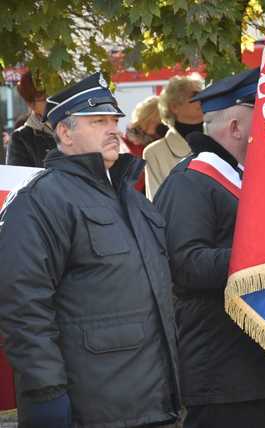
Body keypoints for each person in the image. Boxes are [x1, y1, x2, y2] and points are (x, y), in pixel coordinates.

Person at [0, 72, 180, 428]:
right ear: (65, 133)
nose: (113, 129)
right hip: (92, 409)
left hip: (156, 404)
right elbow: (24, 308)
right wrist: (47, 395)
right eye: (98, 121)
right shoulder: (41, 201)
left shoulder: (131, 199)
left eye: (114, 120)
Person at [153, 68, 265, 428]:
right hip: (222, 371)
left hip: (261, 365)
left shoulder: (247, 178)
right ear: (235, 128)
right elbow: (186, 265)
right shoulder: (191, 181)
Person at [143, 74, 204, 199]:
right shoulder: (154, 152)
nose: (203, 99)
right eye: (195, 96)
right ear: (175, 107)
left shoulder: (219, 141)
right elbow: (156, 203)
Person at [6, 71, 56, 167]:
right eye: (44, 98)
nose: (52, 100)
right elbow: (19, 179)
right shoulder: (21, 138)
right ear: (30, 103)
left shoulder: (77, 124)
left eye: (54, 93)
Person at [122, 95, 167, 192]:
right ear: (148, 119)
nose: (164, 125)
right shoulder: (127, 146)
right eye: (160, 121)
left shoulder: (163, 140)